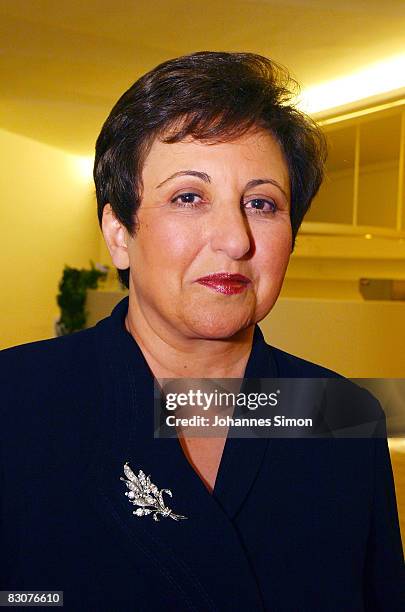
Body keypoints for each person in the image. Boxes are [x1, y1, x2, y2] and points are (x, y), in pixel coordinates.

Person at [1, 51, 404, 611]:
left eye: (262, 203)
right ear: (119, 232)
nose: (236, 239)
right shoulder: (16, 398)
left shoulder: (338, 416)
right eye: (189, 197)